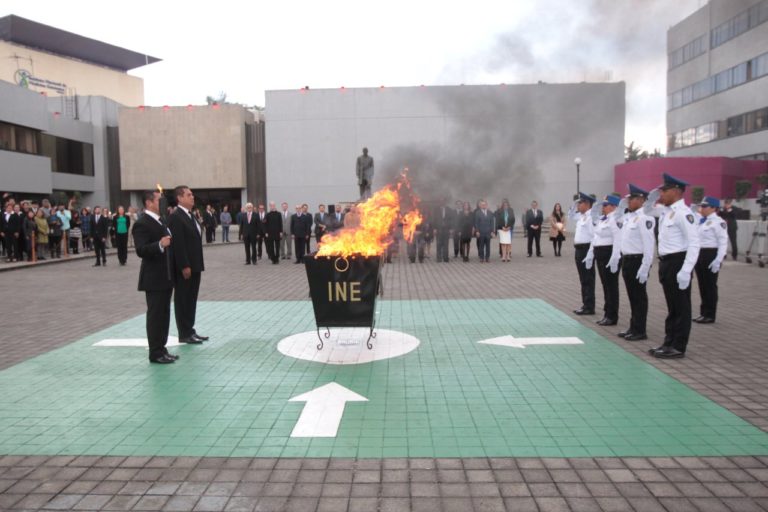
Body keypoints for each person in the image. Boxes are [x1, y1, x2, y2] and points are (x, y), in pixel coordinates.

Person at [644, 173, 700, 359]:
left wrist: (686, 270)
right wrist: (650, 200)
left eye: (664, 191)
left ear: (676, 191)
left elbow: (694, 243)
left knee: (681, 306)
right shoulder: (666, 211)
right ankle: (668, 342)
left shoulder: (684, 214)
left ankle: (678, 346)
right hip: (666, 262)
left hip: (678, 262)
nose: (662, 194)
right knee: (672, 307)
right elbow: (647, 211)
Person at [132, 190, 177, 364]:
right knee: (156, 315)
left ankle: (162, 348)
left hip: (165, 276)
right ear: (149, 203)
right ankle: (155, 352)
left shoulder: (161, 220)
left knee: (164, 314)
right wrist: (159, 244)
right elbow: (141, 250)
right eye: (160, 200)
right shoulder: (142, 223)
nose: (163, 204)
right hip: (153, 277)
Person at [169, 185, 209, 345]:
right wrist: (184, 265)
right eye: (189, 194)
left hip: (195, 265)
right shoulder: (176, 217)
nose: (192, 197)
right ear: (179, 198)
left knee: (191, 298)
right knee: (183, 299)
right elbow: (178, 244)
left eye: (192, 194)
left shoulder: (190, 215)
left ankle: (190, 330)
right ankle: (184, 333)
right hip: (185, 267)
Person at [617, 185, 655, 341]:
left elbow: (649, 244)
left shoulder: (645, 218)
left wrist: (646, 266)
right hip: (627, 260)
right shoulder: (629, 217)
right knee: (632, 296)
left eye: (631, 199)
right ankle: (633, 327)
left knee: (639, 296)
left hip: (637, 261)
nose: (628, 202)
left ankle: (640, 330)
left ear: (641, 200)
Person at [586, 195, 622, 326]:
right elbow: (596, 237)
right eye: (603, 205)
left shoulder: (615, 219)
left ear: (614, 207)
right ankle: (607, 313)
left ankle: (612, 316)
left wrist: (615, 256)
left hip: (609, 254)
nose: (604, 207)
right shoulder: (603, 219)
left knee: (612, 287)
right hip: (601, 254)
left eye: (606, 205)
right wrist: (591, 253)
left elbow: (618, 238)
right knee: (605, 286)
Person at [693, 196, 728, 324]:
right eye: (701, 206)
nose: (701, 208)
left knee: (710, 286)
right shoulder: (702, 221)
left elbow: (723, 242)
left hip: (711, 254)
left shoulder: (719, 222)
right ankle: (703, 312)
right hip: (700, 254)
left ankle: (710, 314)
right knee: (702, 285)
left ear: (714, 208)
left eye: (704, 206)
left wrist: (718, 259)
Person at [569, 192, 597, 315]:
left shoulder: (591, 218)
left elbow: (594, 237)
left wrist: (590, 254)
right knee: (583, 279)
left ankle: (589, 306)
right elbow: (571, 216)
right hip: (579, 250)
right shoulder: (583, 216)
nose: (578, 205)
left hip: (586, 250)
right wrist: (574, 204)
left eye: (580, 203)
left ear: (587, 204)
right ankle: (585, 304)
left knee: (588, 279)